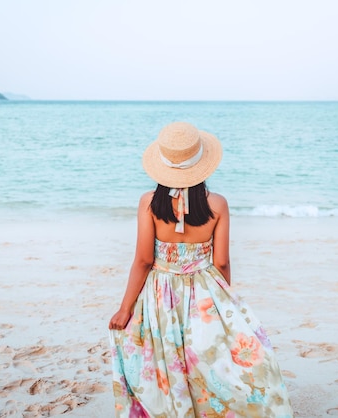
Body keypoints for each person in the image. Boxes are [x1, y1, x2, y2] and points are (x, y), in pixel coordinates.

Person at [108, 122, 294, 417]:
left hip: (160, 291)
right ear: (202, 165)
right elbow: (221, 261)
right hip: (204, 290)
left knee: (168, 354)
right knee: (208, 354)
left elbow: (143, 260)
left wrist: (124, 308)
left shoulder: (148, 204)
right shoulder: (217, 204)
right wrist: (224, 300)